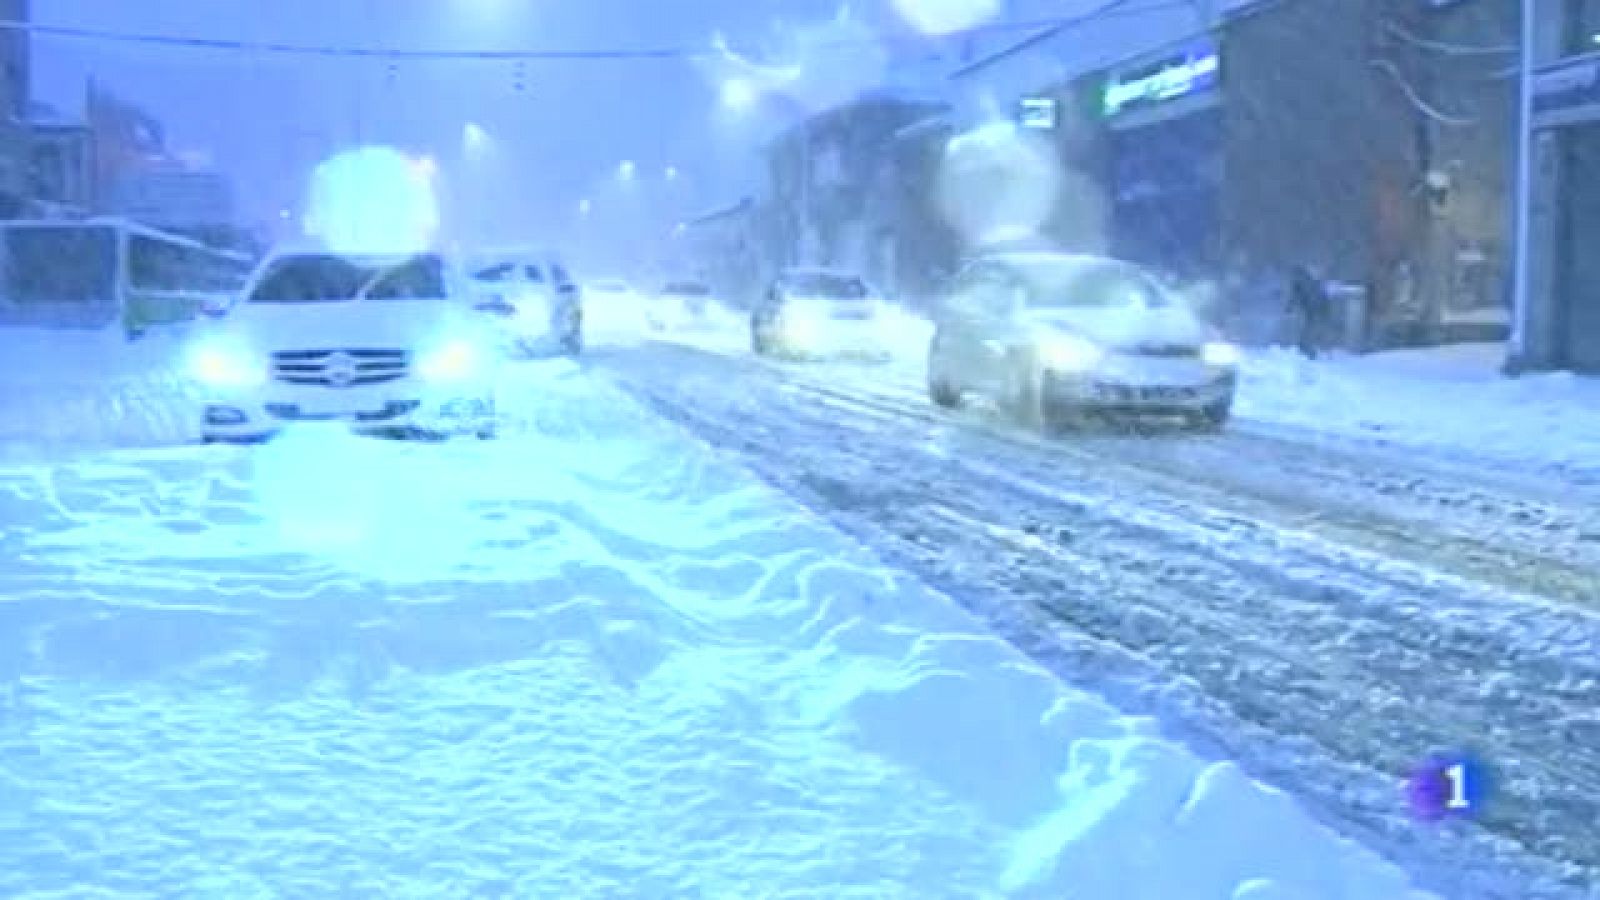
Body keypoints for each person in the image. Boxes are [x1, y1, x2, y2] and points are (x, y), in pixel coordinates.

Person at [1288, 264, 1330, 359]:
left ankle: (1308, 349)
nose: (1318, 272)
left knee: (1310, 330)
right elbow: (1297, 296)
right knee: (1309, 330)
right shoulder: (1307, 282)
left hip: (1313, 310)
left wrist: (1290, 307)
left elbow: (1321, 297)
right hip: (1310, 310)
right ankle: (1307, 349)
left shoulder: (1314, 282)